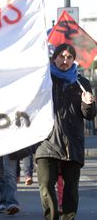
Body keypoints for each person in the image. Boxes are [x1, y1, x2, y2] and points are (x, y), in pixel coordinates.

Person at [35, 43, 96, 220]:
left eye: (69, 57)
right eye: (61, 56)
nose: (65, 60)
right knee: (45, 185)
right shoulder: (44, 80)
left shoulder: (81, 82)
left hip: (72, 144)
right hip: (46, 142)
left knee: (71, 189)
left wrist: (88, 103)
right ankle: (51, 217)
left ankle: (68, 217)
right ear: (54, 59)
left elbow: (90, 115)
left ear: (73, 60)